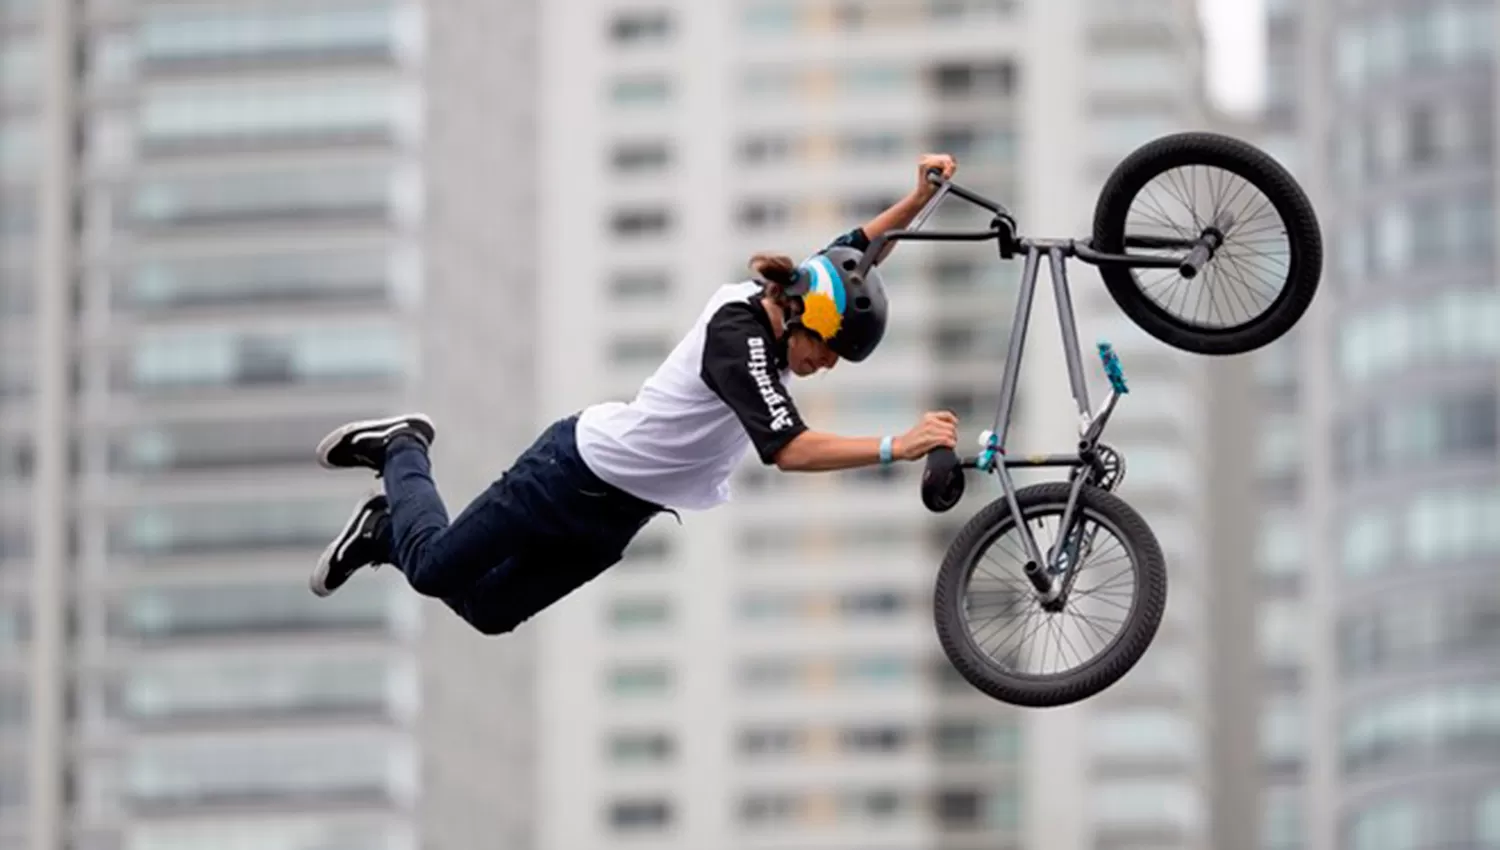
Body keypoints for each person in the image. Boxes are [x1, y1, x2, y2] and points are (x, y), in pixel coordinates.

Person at [309, 153, 963, 636]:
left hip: (614, 517)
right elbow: (788, 451)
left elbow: (858, 253)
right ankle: (403, 448)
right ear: (801, 317)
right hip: (565, 475)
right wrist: (895, 445)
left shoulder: (802, 295)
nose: (823, 365)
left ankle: (381, 532)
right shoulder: (736, 338)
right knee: (433, 573)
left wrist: (919, 199)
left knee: (488, 612)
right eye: (825, 351)